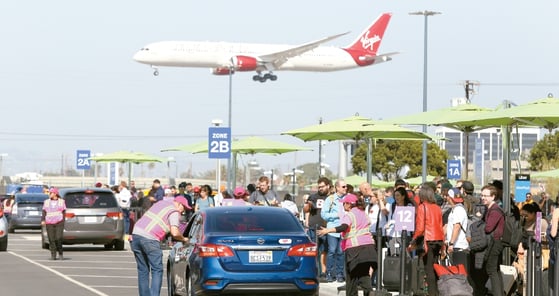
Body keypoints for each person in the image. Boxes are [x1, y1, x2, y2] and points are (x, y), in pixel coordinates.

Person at [131, 196, 191, 296]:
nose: (183, 211)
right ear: (179, 204)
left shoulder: (161, 204)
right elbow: (175, 233)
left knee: (143, 270)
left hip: (136, 234)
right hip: (150, 239)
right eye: (184, 208)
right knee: (157, 270)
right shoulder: (174, 212)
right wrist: (184, 239)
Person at [318, 194, 376, 296]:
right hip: (369, 249)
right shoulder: (363, 213)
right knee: (363, 273)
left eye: (344, 203)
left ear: (349, 204)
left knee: (352, 275)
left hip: (355, 249)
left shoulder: (350, 215)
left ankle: (360, 293)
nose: (343, 205)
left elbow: (344, 227)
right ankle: (370, 292)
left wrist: (328, 230)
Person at [408, 185, 444, 296]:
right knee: (434, 267)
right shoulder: (437, 208)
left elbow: (420, 228)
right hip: (438, 240)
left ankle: (432, 293)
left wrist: (413, 240)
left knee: (428, 269)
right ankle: (436, 292)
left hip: (427, 240)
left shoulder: (422, 207)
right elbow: (440, 225)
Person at [304, 177, 331, 280]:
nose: (320, 189)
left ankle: (323, 272)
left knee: (325, 251)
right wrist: (308, 204)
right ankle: (314, 271)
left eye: (322, 187)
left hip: (326, 228)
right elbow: (306, 210)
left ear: (328, 186)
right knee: (314, 250)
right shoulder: (313, 197)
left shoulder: (332, 198)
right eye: (319, 187)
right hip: (313, 228)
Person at [481, 184, 505, 296]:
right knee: (495, 269)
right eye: (482, 195)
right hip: (496, 241)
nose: (483, 198)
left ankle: (497, 293)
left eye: (486, 196)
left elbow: (488, 228)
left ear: (493, 196)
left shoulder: (495, 210)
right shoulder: (490, 209)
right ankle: (499, 292)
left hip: (496, 242)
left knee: (491, 269)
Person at [321, 180, 347, 283]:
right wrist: (336, 215)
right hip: (332, 229)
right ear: (337, 188)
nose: (345, 188)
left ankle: (340, 274)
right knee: (332, 251)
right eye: (343, 186)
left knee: (341, 252)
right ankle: (329, 273)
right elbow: (324, 214)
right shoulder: (330, 199)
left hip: (344, 229)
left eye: (346, 186)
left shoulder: (347, 199)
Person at [444, 188, 470, 281]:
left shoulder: (458, 210)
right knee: (458, 274)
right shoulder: (455, 209)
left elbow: (457, 227)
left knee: (461, 275)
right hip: (456, 246)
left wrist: (451, 243)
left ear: (449, 198)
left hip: (459, 246)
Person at [41, 187, 66, 260]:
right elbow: (44, 212)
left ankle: (60, 252)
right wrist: (43, 220)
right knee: (51, 239)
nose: (49, 194)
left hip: (59, 222)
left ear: (55, 194)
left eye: (51, 193)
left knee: (58, 238)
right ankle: (53, 254)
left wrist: (63, 221)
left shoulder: (62, 201)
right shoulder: (46, 202)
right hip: (49, 222)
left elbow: (64, 212)